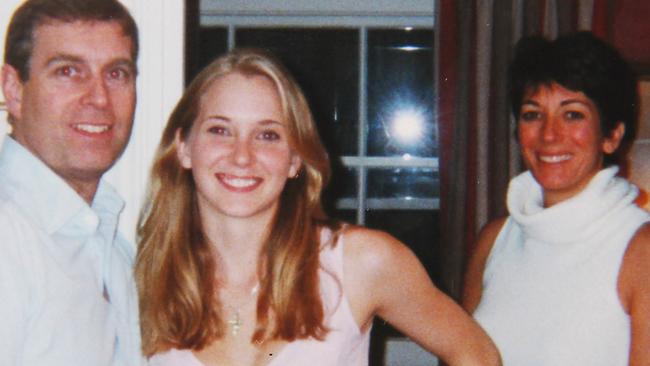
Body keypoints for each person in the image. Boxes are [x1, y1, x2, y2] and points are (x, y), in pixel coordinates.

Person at [135, 48, 501, 366]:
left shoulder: (358, 262)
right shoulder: (142, 277)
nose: (241, 155)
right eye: (219, 130)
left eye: (267, 135)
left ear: (295, 159)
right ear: (183, 147)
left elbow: (477, 355)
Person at [463, 32, 650, 365]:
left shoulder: (640, 250)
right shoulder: (493, 241)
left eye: (573, 114)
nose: (549, 134)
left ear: (611, 136)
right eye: (533, 114)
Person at [0, 0, 142, 365]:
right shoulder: (8, 235)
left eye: (117, 74)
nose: (99, 98)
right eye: (68, 71)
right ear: (13, 89)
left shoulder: (109, 244)